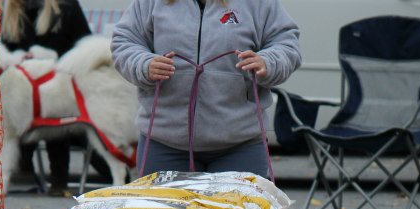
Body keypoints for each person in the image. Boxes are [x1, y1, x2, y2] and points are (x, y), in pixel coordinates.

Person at [111, 0, 301, 178]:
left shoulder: (258, 3)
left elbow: (286, 44)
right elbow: (124, 42)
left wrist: (267, 61)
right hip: (163, 145)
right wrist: (144, 64)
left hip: (241, 146)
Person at [2, 0, 93, 196]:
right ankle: (23, 170)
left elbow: (85, 48)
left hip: (64, 86)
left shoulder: (66, 7)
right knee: (19, 104)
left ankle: (58, 179)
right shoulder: (10, 10)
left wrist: (54, 62)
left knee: (53, 104)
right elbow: (4, 54)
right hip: (25, 93)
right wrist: (20, 59)